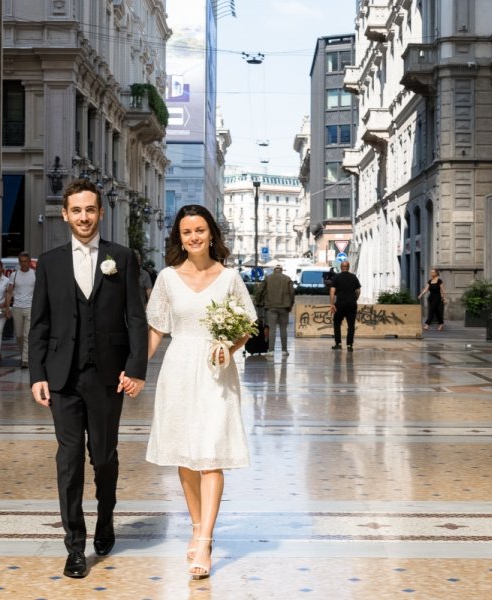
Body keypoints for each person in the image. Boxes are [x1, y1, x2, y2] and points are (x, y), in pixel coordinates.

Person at [28, 178, 148, 579]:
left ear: (100, 212)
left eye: (90, 209)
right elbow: (39, 324)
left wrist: (135, 369)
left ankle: (106, 519)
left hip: (107, 377)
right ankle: (74, 546)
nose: (83, 217)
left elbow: (135, 317)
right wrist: (37, 374)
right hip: (62, 377)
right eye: (76, 210)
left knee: (104, 457)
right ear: (65, 215)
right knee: (69, 460)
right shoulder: (50, 262)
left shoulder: (122, 258)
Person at [145, 204, 257, 580]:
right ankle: (195, 526)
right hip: (177, 370)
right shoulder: (166, 277)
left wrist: (230, 345)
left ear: (212, 233)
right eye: (186, 231)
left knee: (210, 457)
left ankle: (205, 539)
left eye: (200, 230)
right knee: (185, 457)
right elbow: (157, 329)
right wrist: (133, 369)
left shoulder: (229, 278)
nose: (193, 237)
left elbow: (247, 324)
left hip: (215, 372)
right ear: (179, 237)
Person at [256, 265, 295, 355]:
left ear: (274, 270)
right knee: (283, 329)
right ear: (281, 270)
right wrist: (291, 304)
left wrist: (258, 300)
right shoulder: (287, 278)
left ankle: (271, 350)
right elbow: (292, 292)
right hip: (284, 307)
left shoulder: (268, 278)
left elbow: (260, 290)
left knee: (272, 329)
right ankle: (284, 350)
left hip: (271, 307)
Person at [6, 251, 36, 368]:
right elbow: (9, 292)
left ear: (29, 262)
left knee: (27, 334)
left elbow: (39, 292)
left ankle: (25, 359)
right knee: (19, 335)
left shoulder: (34, 274)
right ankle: (23, 354)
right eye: (21, 262)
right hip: (17, 307)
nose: (23, 264)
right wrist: (8, 308)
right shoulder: (14, 275)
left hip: (30, 307)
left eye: (25, 261)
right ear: (19, 262)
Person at [329, 260, 361, 351]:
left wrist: (332, 304)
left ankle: (338, 343)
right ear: (348, 267)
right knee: (351, 325)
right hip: (351, 304)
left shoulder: (336, 277)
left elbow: (332, 291)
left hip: (340, 304)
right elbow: (358, 291)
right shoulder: (354, 277)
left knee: (337, 323)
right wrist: (355, 299)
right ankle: (349, 345)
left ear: (341, 267)